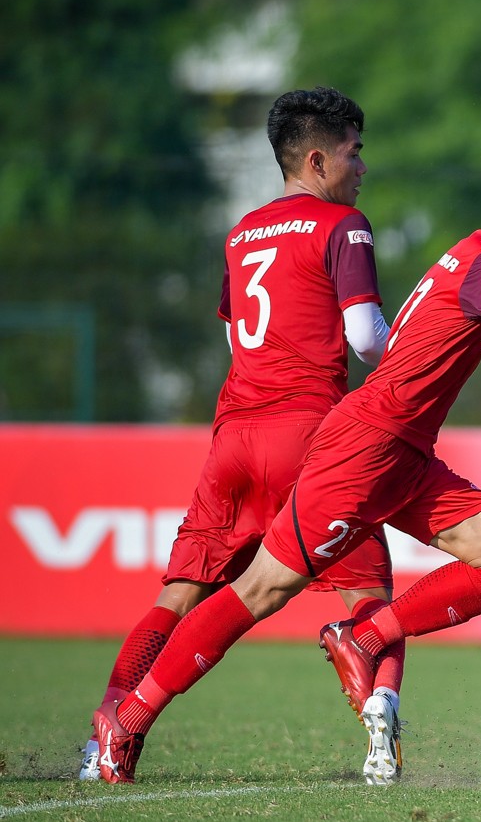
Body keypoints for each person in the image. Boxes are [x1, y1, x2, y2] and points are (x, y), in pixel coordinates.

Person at [91, 130, 481, 784]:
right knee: (261, 589)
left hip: (404, 454)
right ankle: (127, 723)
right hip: (365, 448)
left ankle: (363, 635)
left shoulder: (476, 255)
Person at [79, 87, 406, 786]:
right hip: (310, 436)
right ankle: (381, 742)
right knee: (370, 595)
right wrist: (420, 347)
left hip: (233, 435)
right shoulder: (343, 226)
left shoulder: (242, 232)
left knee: (179, 596)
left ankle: (107, 732)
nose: (363, 166)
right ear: (317, 159)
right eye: (354, 151)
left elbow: (233, 333)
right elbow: (366, 339)